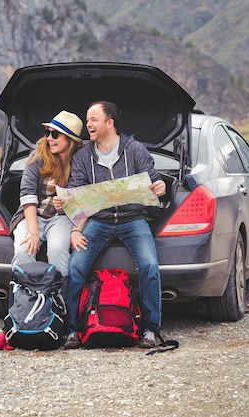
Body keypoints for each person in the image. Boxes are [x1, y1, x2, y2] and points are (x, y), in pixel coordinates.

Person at [60, 101, 167, 349]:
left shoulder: (135, 150)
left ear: (110, 122)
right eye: (87, 120)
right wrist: (76, 229)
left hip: (133, 220)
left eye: (93, 119)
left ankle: (151, 330)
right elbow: (78, 195)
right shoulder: (83, 155)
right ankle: (73, 330)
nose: (88, 125)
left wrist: (159, 187)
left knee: (150, 266)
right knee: (76, 267)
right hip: (98, 221)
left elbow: (154, 180)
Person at [10, 110, 83, 281]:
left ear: (69, 139)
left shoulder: (80, 160)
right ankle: (24, 298)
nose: (50, 138)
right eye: (48, 133)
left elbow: (81, 192)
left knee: (57, 250)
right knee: (24, 249)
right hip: (32, 214)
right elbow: (27, 194)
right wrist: (34, 233)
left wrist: (67, 201)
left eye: (55, 134)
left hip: (61, 216)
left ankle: (60, 300)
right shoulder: (38, 155)